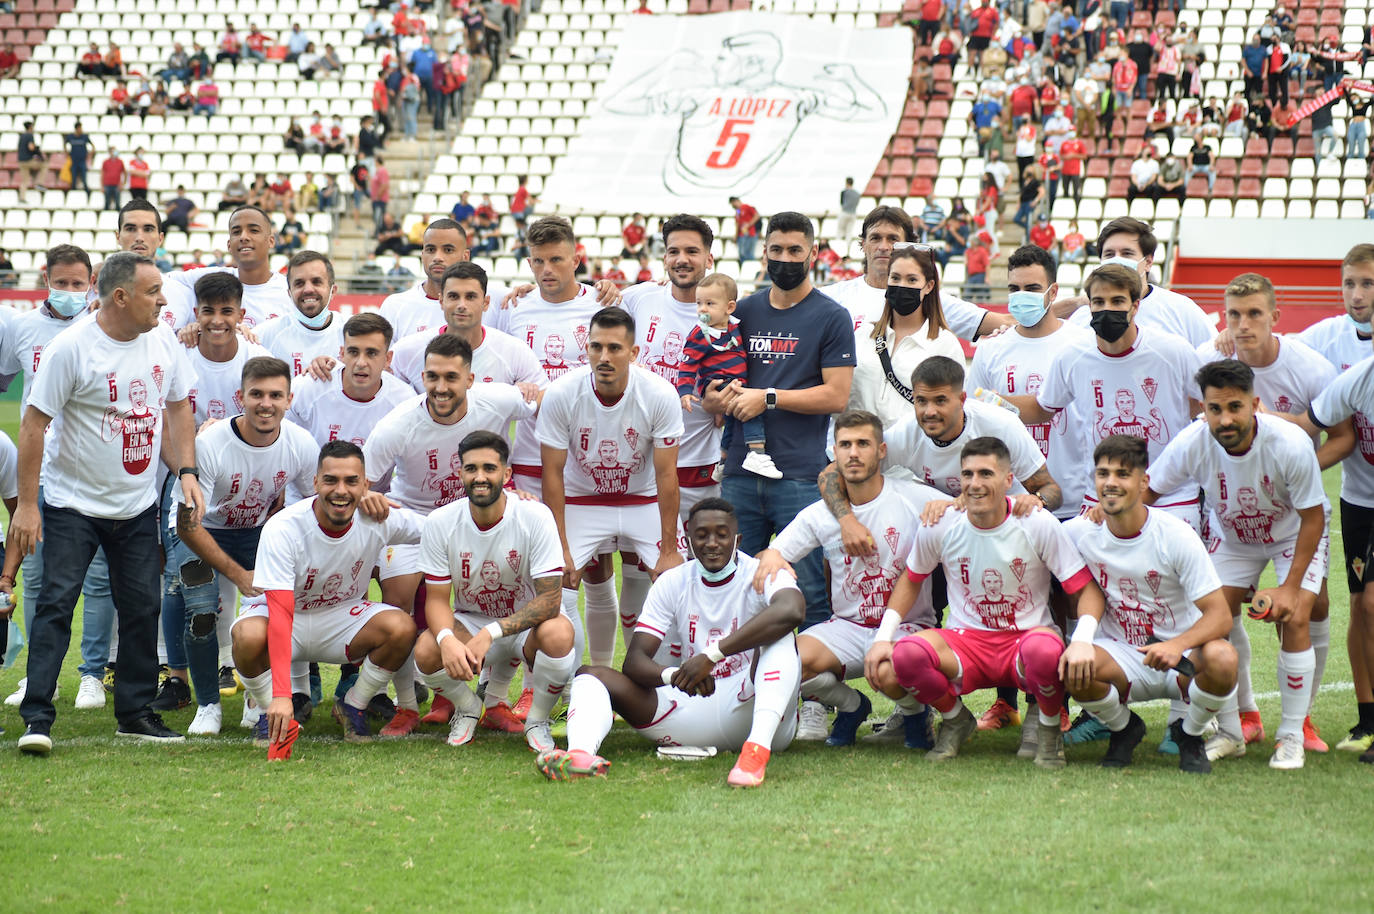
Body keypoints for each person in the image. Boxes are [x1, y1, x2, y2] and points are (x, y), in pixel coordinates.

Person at [5, 253, 203, 755]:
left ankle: (134, 714)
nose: (164, 300)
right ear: (121, 297)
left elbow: (178, 407)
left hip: (135, 506)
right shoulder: (71, 348)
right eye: (154, 291)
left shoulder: (162, 342)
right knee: (55, 605)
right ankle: (38, 717)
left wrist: (186, 472)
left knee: (142, 607)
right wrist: (28, 506)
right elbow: (33, 426)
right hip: (72, 503)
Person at [535, 498, 803, 788]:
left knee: (781, 637)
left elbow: (792, 610)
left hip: (753, 709)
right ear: (688, 542)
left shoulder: (760, 572)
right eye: (702, 535)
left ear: (737, 539)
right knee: (590, 675)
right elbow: (635, 662)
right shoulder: (672, 581)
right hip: (692, 705)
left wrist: (711, 655)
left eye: (722, 534)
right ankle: (580, 756)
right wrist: (677, 675)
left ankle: (755, 753)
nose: (712, 543)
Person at [871, 437, 1096, 769]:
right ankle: (955, 719)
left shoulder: (1036, 522)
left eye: (985, 474)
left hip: (1026, 639)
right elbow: (911, 578)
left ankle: (1048, 729)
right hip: (967, 642)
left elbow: (1083, 589)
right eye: (968, 474)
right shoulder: (942, 524)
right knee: (905, 655)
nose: (975, 484)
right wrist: (882, 638)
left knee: (1046, 652)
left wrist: (1083, 640)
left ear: (1008, 480)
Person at [1147, 360, 1327, 770]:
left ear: (1255, 404)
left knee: (1297, 615)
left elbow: (1313, 518)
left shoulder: (1290, 443)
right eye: (1215, 409)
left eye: (1234, 407)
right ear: (1204, 409)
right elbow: (1149, 492)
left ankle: (1291, 737)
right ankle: (1232, 732)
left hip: (1292, 532)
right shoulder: (1193, 440)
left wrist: (1289, 589)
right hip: (1233, 538)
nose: (1225, 419)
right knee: (1212, 617)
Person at [363, 332, 542, 735]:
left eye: (450, 377)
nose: (440, 388)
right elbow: (363, 481)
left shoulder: (499, 399)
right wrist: (370, 500)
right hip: (417, 522)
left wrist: (517, 487)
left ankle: (493, 701)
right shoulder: (397, 424)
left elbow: (544, 404)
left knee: (511, 586)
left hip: (476, 517)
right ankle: (407, 704)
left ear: (471, 379)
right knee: (398, 601)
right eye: (431, 377)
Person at [696, 213, 852, 631]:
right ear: (763, 252)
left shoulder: (831, 316)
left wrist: (767, 398)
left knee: (810, 591)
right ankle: (737, 688)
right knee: (731, 586)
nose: (785, 259)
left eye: (795, 250)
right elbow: (711, 377)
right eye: (777, 250)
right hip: (740, 473)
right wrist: (715, 397)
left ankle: (813, 693)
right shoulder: (742, 311)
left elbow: (836, 395)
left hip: (800, 475)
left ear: (813, 253)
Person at [754, 411, 942, 746]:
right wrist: (772, 561)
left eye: (862, 444)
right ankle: (853, 706)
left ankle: (915, 715)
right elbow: (774, 554)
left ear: (881, 451)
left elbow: (971, 516)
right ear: (835, 453)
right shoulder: (820, 514)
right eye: (845, 445)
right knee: (786, 665)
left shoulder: (915, 498)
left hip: (908, 627)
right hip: (849, 626)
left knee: (891, 670)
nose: (853, 453)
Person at [231, 440, 421, 757]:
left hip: (339, 617)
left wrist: (510, 509)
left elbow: (443, 531)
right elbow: (279, 613)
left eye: (351, 481)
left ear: (366, 485)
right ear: (316, 482)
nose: (340, 490)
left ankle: (353, 705)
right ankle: (270, 713)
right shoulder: (284, 527)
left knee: (401, 627)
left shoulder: (378, 517)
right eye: (331, 480)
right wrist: (280, 695)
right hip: (284, 619)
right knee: (246, 636)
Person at [1060, 435, 1238, 773]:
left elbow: (1220, 616)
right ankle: (1124, 730)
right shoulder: (1078, 533)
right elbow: (1087, 589)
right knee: (1072, 665)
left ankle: (1190, 734)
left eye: (1122, 474)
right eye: (1103, 474)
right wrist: (1081, 640)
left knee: (1223, 658)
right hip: (1121, 653)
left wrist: (1177, 645)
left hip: (1181, 657)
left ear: (1143, 482)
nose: (1111, 483)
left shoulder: (1176, 534)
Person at [0, 245, 122, 714]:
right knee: (37, 575)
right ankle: (40, 676)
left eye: (79, 283)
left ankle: (91, 674)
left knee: (95, 578)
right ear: (45, 278)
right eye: (62, 283)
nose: (71, 292)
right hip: (39, 471)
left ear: (92, 282)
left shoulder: (100, 325)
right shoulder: (21, 329)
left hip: (89, 468)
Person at [168, 357, 316, 734]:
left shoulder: (300, 443)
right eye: (256, 394)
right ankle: (208, 705)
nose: (266, 403)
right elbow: (188, 526)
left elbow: (320, 498)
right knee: (202, 611)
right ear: (240, 397)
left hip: (256, 530)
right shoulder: (211, 444)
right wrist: (238, 574)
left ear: (289, 399)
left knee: (273, 609)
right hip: (202, 528)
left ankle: (258, 699)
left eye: (275, 395)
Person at [539, 306, 685, 666]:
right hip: (583, 500)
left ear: (633, 353)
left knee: (679, 584)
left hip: (643, 500)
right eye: (596, 347)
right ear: (586, 348)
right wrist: (561, 546)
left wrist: (668, 548)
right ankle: (577, 687)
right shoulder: (561, 393)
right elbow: (552, 474)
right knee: (558, 587)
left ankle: (662, 686)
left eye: (615, 348)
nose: (604, 357)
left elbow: (668, 476)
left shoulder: (659, 393)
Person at [414, 430, 577, 751]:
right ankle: (468, 708)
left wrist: (490, 632)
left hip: (523, 627)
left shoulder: (535, 515)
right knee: (426, 649)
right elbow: (435, 599)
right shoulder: (440, 522)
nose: (480, 477)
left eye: (489, 468)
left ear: (507, 473)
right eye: (471, 468)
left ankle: (538, 720)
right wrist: (447, 641)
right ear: (460, 473)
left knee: (559, 633)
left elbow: (550, 601)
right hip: (470, 622)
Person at [1014, 265, 1203, 526]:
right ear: (1088, 306)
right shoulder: (1073, 356)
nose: (1107, 309)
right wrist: (990, 403)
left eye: (1117, 301)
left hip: (1171, 497)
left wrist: (1175, 414)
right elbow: (1042, 408)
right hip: (1102, 497)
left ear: (1135, 306)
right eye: (1099, 302)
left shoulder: (1173, 351)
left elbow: (1206, 402)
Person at [824, 207, 1013, 339]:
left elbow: (1000, 322)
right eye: (875, 238)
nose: (883, 247)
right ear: (863, 244)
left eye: (892, 239)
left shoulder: (926, 298)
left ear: (907, 246)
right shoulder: (833, 298)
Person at [846, 244, 964, 431]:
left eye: (911, 280)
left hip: (913, 452)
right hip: (861, 450)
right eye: (895, 278)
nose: (901, 286)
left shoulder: (946, 344)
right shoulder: (861, 336)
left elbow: (953, 409)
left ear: (928, 286)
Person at [676, 273, 779, 480]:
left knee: (732, 421)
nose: (702, 309)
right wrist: (685, 392)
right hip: (718, 383)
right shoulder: (700, 333)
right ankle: (756, 453)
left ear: (729, 308)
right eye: (699, 303)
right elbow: (688, 364)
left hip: (735, 382)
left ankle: (723, 461)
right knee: (749, 408)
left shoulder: (733, 325)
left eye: (709, 303)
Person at [1058, 217, 1215, 346]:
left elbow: (1215, 358)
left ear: (1148, 262)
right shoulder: (1082, 318)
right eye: (1109, 254)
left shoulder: (1181, 310)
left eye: (1127, 253)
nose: (1117, 260)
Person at [258, 251, 344, 376]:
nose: (308, 289)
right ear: (289, 293)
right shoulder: (265, 335)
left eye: (316, 282)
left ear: (333, 290)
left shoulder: (351, 333)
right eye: (299, 283)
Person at [63, 123, 94, 192]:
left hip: (82, 160)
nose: (81, 130)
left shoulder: (84, 137)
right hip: (74, 161)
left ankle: (86, 190)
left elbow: (92, 146)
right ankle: (73, 190)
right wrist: (66, 152)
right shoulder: (71, 137)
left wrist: (90, 153)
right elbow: (65, 143)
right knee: (73, 178)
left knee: (84, 177)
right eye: (80, 128)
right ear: (76, 129)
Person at [729, 196, 759, 263]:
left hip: (750, 234)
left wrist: (748, 224)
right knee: (742, 255)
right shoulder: (737, 211)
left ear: (736, 201)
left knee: (749, 254)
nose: (732, 206)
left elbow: (757, 216)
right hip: (741, 235)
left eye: (733, 204)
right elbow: (737, 224)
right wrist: (736, 236)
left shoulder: (746, 207)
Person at [16, 121, 43, 194]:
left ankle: (22, 198)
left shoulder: (22, 136)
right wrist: (37, 151)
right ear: (30, 127)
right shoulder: (30, 135)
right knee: (44, 165)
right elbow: (31, 147)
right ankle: (39, 183)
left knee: (25, 181)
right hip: (28, 161)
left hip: (21, 161)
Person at [837, 177, 860, 242]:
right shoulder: (857, 194)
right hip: (853, 213)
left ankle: (839, 246)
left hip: (844, 212)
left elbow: (841, 203)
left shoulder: (844, 192)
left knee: (840, 231)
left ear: (846, 183)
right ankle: (847, 248)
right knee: (849, 232)